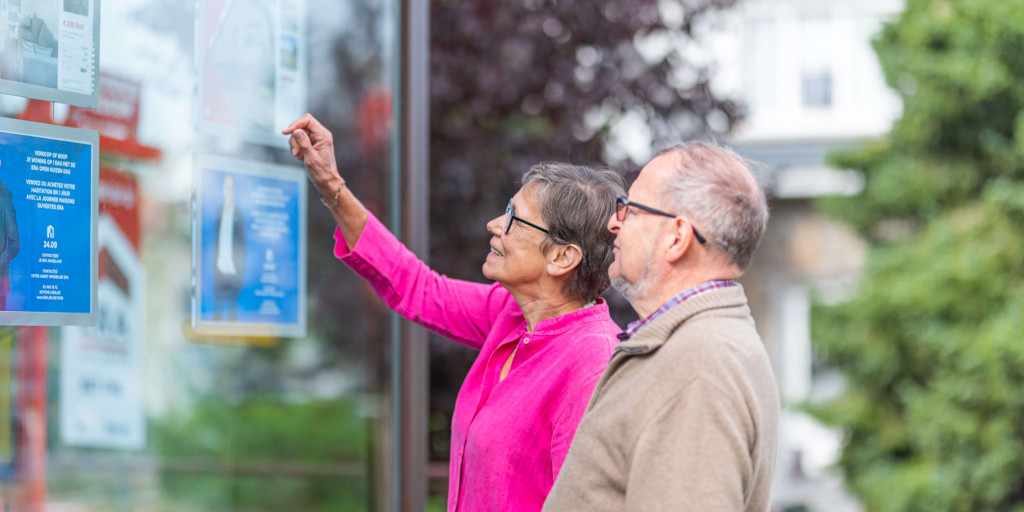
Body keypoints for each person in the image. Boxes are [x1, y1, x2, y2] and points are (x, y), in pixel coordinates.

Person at [283, 114, 626, 511]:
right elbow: (416, 286)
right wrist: (331, 185)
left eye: (515, 219)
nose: (495, 224)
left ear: (563, 257)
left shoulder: (592, 364)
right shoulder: (510, 314)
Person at [544, 142, 780, 511]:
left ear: (676, 238)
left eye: (631, 210)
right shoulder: (700, 346)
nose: (613, 222)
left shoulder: (700, 364)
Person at [212, 174, 246, 321]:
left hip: (234, 267)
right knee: (218, 311)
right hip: (220, 267)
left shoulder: (238, 215)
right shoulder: (218, 214)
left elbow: (241, 245)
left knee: (233, 310)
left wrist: (240, 271)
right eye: (226, 188)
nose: (228, 191)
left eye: (231, 188)